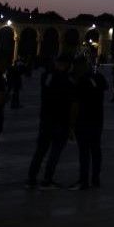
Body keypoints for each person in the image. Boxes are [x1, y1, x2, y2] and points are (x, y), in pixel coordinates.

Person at [26, 56, 73, 190]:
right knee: (55, 152)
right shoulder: (67, 80)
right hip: (60, 120)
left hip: (46, 119)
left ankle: (31, 178)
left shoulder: (46, 76)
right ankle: (47, 179)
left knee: (40, 150)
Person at [69, 58, 107, 190]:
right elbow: (105, 87)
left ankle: (83, 180)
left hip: (84, 121)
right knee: (96, 150)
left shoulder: (80, 82)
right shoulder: (99, 77)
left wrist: (71, 124)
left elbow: (75, 104)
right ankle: (95, 179)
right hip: (98, 120)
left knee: (84, 152)